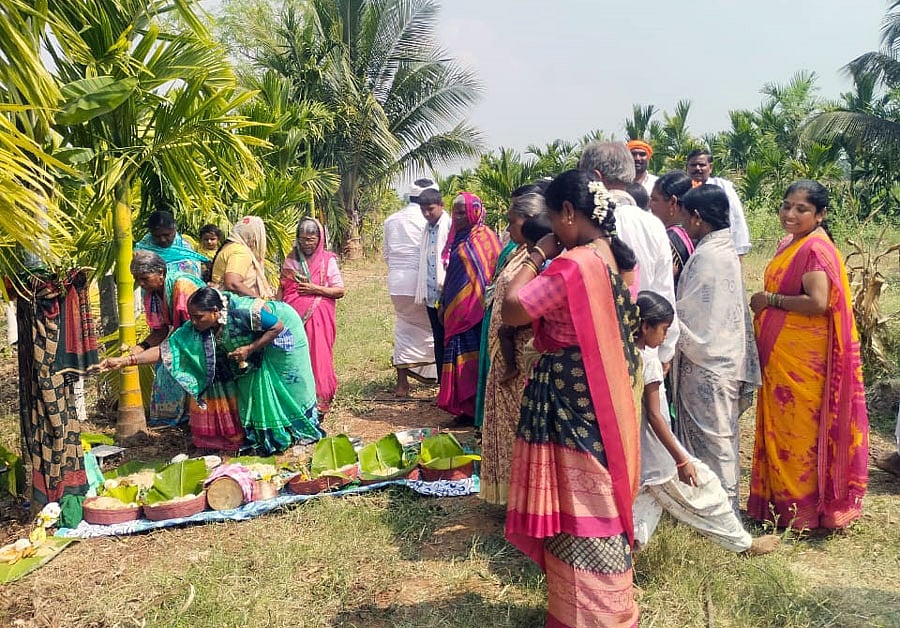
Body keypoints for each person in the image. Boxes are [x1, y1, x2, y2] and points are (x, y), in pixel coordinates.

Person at [501, 169, 641, 628]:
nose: (554, 231)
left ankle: (586, 613)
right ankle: (610, 605)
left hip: (568, 395)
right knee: (599, 494)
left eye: (554, 221)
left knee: (579, 503)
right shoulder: (617, 259)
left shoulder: (573, 263)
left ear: (567, 212)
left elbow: (514, 306)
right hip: (608, 394)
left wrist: (538, 252)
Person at [747, 180, 869, 531]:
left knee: (798, 433)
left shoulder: (815, 248)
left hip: (803, 363)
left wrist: (770, 301)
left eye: (802, 209)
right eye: (787, 205)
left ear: (820, 214)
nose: (790, 214)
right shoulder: (792, 242)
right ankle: (780, 507)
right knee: (783, 429)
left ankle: (800, 513)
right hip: (783, 356)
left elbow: (817, 302)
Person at [632, 291, 778, 556]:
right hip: (659, 456)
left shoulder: (628, 356)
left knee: (645, 506)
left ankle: (624, 565)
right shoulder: (649, 362)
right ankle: (743, 545)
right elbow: (654, 416)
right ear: (645, 326)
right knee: (708, 490)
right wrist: (681, 459)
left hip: (640, 455)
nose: (665, 337)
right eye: (663, 329)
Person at [103, 288, 322, 455]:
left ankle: (300, 428)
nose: (193, 321)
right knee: (251, 389)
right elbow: (167, 351)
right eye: (191, 316)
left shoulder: (242, 312)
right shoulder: (197, 326)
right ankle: (267, 436)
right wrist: (127, 361)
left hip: (279, 334)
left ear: (216, 312)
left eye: (198, 317)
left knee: (286, 383)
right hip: (248, 354)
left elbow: (277, 326)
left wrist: (249, 348)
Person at [674, 184, 760, 515]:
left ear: (696, 218)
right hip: (723, 360)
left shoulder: (708, 256)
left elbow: (693, 316)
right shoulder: (723, 249)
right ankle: (717, 511)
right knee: (721, 441)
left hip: (708, 363)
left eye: (684, 217)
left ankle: (720, 514)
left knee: (715, 443)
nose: (682, 224)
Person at [579, 141, 679, 374]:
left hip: (595, 355)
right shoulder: (652, 224)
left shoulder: (581, 224)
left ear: (595, 176)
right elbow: (665, 292)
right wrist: (665, 352)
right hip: (646, 351)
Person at [477, 187, 548, 505]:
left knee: (517, 427)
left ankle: (522, 498)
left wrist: (508, 350)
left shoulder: (537, 260)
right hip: (507, 354)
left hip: (520, 358)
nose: (507, 228)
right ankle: (509, 494)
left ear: (531, 221)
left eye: (512, 221)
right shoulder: (520, 253)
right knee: (506, 427)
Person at [437, 192, 500, 424]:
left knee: (474, 360)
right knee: (458, 355)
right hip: (457, 309)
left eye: (463, 212)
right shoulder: (457, 238)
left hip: (477, 311)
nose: (458, 217)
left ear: (475, 211)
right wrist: (443, 303)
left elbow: (493, 274)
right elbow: (451, 273)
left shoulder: (487, 237)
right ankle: (464, 408)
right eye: (456, 212)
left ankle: (476, 410)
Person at [130, 250, 206, 427]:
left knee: (171, 360)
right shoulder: (153, 294)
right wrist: (141, 347)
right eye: (136, 279)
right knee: (163, 365)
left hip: (199, 335)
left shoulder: (182, 286)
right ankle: (172, 420)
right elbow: (160, 330)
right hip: (184, 335)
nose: (140, 284)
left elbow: (192, 327)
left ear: (161, 274)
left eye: (144, 278)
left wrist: (166, 349)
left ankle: (191, 418)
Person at [278, 217, 345, 415]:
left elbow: (339, 290)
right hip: (293, 318)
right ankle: (298, 396)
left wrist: (314, 289)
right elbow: (283, 286)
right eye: (303, 239)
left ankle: (321, 397)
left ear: (319, 238)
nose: (307, 243)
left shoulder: (327, 260)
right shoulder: (292, 259)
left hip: (319, 317)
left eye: (311, 239)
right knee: (296, 355)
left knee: (318, 354)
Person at [384, 179, 440, 397]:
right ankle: (438, 378)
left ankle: (402, 385)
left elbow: (387, 255)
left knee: (404, 327)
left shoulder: (391, 220)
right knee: (434, 328)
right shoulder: (430, 219)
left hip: (397, 283)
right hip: (422, 282)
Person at [685, 148, 752, 256]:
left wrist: (739, 251)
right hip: (688, 250)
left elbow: (737, 219)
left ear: (710, 167)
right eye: (693, 165)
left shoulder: (723, 188)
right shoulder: (682, 188)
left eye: (702, 165)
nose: (697, 168)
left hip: (720, 249)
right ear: (687, 167)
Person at [413, 188, 451, 372]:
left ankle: (452, 385)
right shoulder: (426, 230)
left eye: (431, 209)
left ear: (441, 205)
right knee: (438, 338)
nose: (427, 214)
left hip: (448, 294)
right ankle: (442, 384)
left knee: (450, 339)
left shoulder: (450, 226)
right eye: (423, 210)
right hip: (431, 294)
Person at [649, 171, 696, 288]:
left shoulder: (671, 239)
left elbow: (664, 283)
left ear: (672, 202)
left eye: (654, 199)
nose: (650, 205)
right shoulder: (694, 231)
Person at [211, 216, 274, 298]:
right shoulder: (240, 251)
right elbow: (233, 283)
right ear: (253, 236)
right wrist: (258, 299)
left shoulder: (229, 247)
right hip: (235, 304)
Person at [134, 210, 208, 277]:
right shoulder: (141, 251)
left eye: (166, 235)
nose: (162, 239)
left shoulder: (185, 248)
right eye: (157, 236)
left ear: (175, 229)